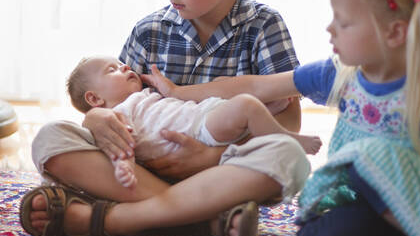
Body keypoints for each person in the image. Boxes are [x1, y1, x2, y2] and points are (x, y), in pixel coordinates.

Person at [20, 0, 310, 236]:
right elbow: (113, 102)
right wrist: (94, 120)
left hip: (222, 171)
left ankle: (111, 219)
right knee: (50, 138)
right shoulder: (149, 30)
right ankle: (205, 220)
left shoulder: (263, 26)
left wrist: (210, 157)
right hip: (146, 169)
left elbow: (289, 126)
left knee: (291, 159)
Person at [144, 0, 420, 236]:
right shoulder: (338, 75)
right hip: (359, 212)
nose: (329, 29)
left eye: (344, 22)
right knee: (318, 231)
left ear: (393, 32)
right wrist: (176, 93)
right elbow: (253, 87)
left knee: (367, 161)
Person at [66, 55, 321, 188]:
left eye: (122, 64)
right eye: (112, 70)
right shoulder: (117, 114)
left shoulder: (145, 95)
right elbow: (121, 144)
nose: (124, 67)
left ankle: (266, 113)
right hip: (199, 128)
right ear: (94, 98)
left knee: (231, 92)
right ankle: (286, 136)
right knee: (246, 105)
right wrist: (124, 165)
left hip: (202, 120)